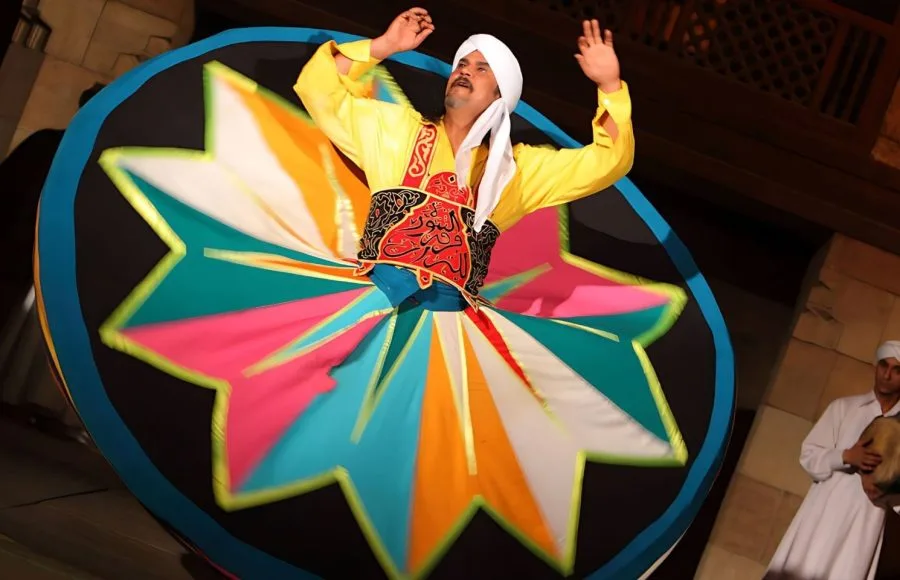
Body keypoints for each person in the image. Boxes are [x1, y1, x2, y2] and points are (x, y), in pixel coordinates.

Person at [294, 7, 634, 309]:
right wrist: (384, 46)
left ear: (501, 95)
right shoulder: (398, 131)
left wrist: (610, 86)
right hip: (371, 297)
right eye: (462, 64)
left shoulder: (515, 172)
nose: (465, 71)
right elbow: (319, 87)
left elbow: (610, 160)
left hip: (447, 330)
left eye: (482, 68)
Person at [766, 340, 900, 580]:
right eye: (883, 366)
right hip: (825, 512)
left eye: (897, 370)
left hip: (864, 522)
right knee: (807, 563)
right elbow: (809, 455)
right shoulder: (844, 408)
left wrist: (886, 492)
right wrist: (845, 456)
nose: (887, 375)